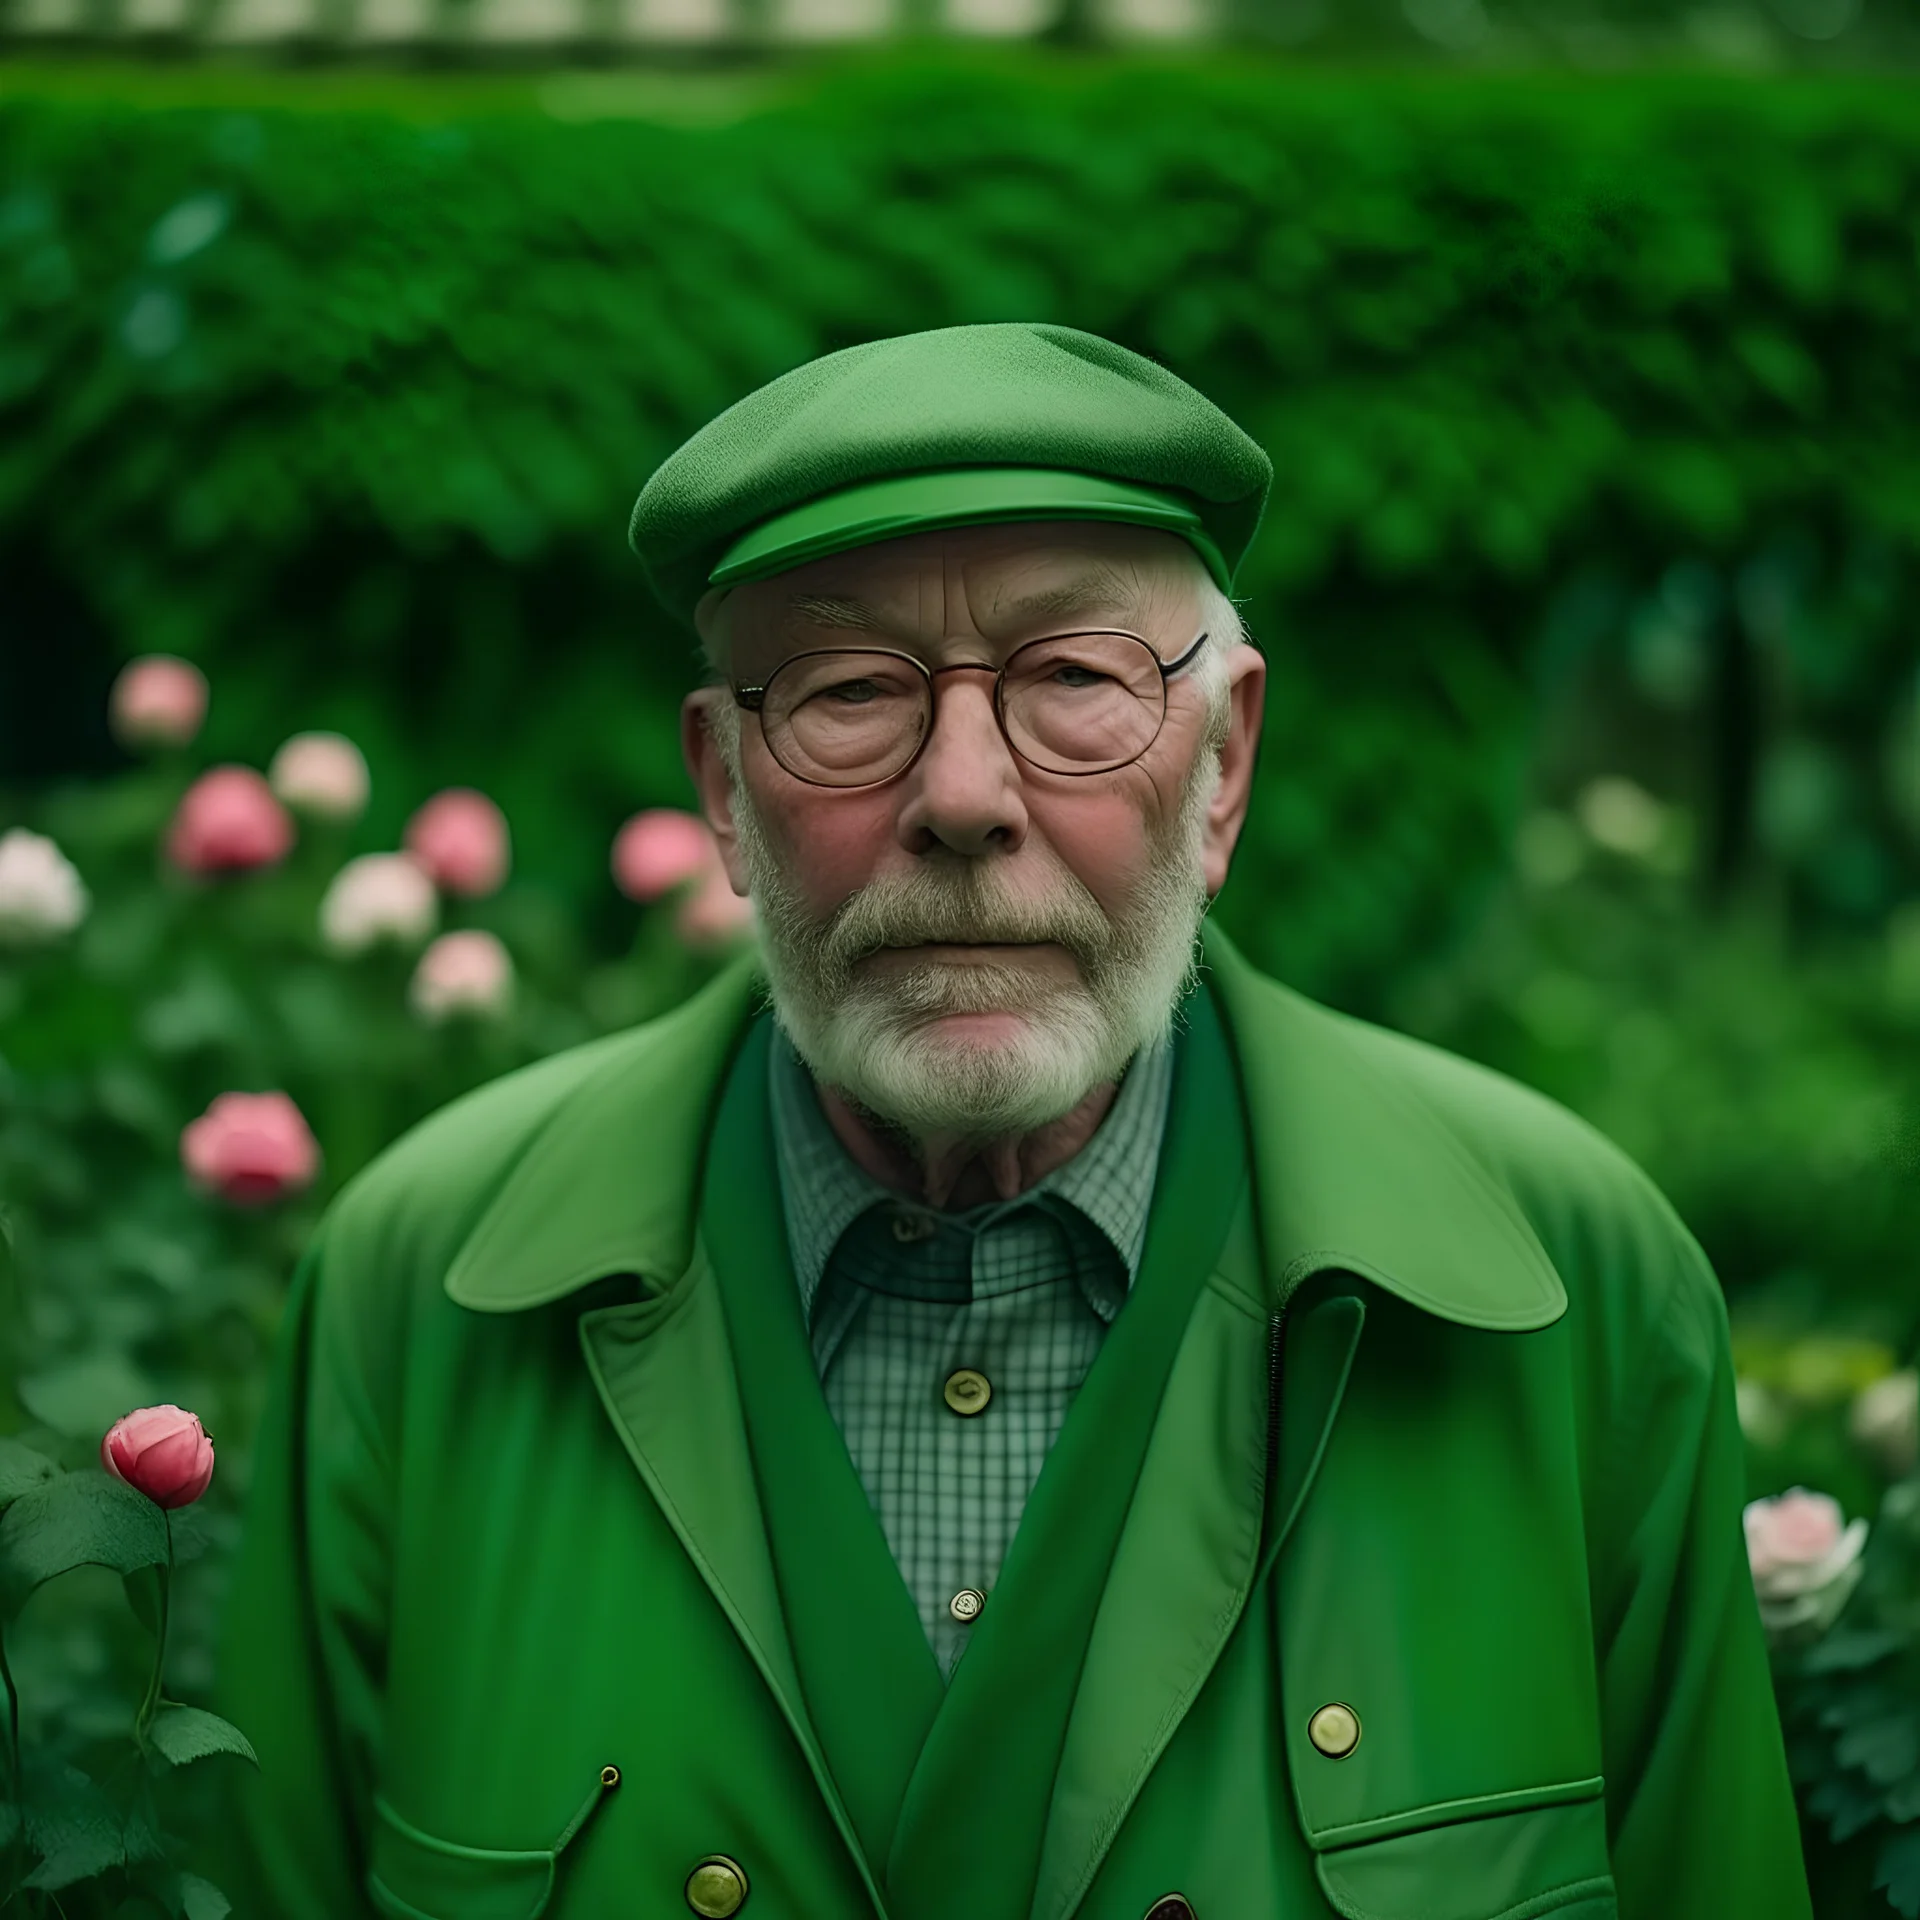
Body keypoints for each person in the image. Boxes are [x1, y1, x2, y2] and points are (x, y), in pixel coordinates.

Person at [215, 322, 1813, 1920]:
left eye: (1073, 678)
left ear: (1226, 763)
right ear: (722, 787)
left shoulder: (1573, 1289)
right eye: (849, 690)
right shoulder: (412, 1295)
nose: (966, 795)